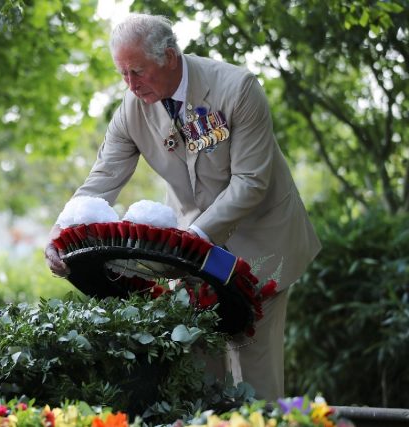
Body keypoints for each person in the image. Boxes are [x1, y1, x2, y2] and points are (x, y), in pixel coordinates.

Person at [44, 13, 321, 401]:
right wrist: (60, 235)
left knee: (253, 375)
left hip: (262, 243)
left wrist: (192, 243)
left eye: (137, 71)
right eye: (122, 73)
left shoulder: (238, 88)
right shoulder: (132, 106)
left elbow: (251, 183)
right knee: (198, 371)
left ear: (170, 56)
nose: (130, 84)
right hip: (191, 253)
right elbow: (102, 179)